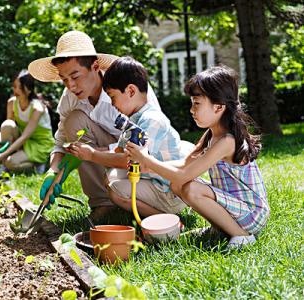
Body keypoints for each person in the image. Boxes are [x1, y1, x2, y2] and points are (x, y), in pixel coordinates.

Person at [126, 65, 270, 248]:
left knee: (191, 188)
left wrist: (147, 159)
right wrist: (149, 165)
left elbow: (185, 175)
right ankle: (220, 228)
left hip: (252, 213)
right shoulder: (211, 135)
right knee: (178, 185)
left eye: (197, 103)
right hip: (237, 208)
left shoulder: (227, 141)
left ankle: (241, 235)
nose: (192, 110)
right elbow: (185, 165)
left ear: (218, 107)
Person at [28, 31, 161, 219]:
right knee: (73, 121)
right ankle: (103, 203)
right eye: (64, 79)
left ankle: (137, 200)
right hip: (113, 152)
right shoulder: (69, 98)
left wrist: (96, 152)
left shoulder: (127, 88)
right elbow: (61, 142)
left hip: (144, 160)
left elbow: (150, 143)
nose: (70, 86)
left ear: (95, 66)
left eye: (75, 76)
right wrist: (53, 170)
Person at [68, 56, 189, 216]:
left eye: (113, 97)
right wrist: (89, 152)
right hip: (154, 180)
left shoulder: (151, 120)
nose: (112, 103)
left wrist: (92, 155)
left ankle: (166, 219)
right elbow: (119, 151)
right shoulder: (134, 119)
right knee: (111, 177)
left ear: (131, 91)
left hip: (169, 190)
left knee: (116, 190)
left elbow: (128, 161)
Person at [0, 70, 54, 173]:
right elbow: (7, 129)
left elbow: (25, 136)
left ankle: (36, 165)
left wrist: (1, 156)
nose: (15, 90)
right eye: (14, 86)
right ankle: (5, 165)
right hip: (23, 142)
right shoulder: (12, 103)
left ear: (28, 90)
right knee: (7, 125)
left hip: (40, 145)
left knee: (10, 162)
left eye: (19, 87)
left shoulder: (37, 108)